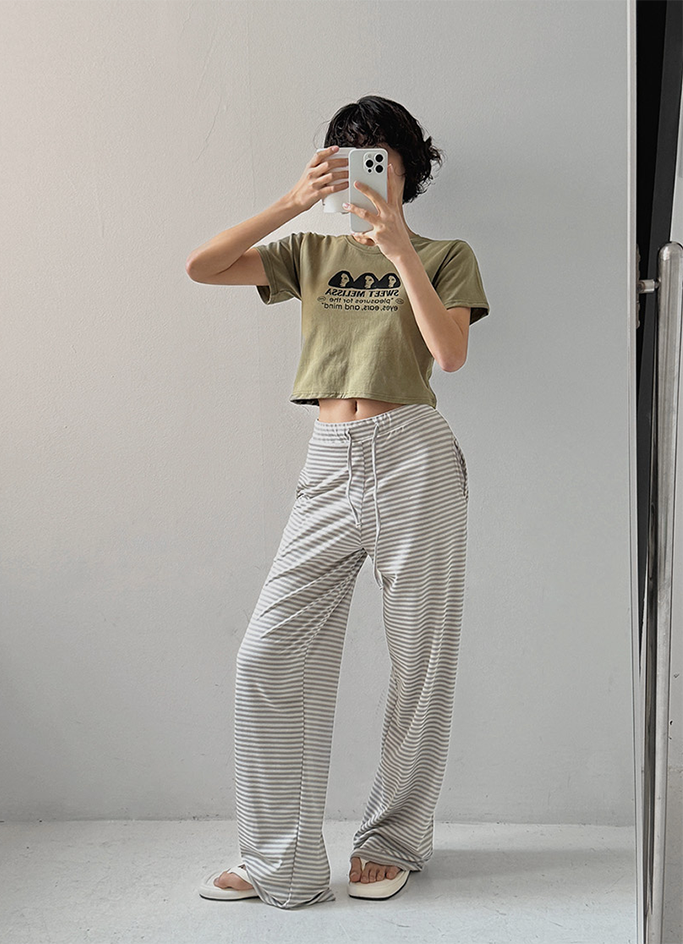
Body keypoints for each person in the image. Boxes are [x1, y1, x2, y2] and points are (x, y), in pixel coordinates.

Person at [186, 95, 490, 910]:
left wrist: (399, 251)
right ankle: (278, 858)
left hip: (414, 455)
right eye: (346, 155)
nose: (363, 169)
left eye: (377, 156)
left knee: (420, 657)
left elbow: (449, 355)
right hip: (329, 459)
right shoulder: (309, 251)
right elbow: (203, 266)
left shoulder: (445, 254)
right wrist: (292, 201)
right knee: (267, 653)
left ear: (406, 168)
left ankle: (392, 839)